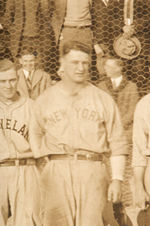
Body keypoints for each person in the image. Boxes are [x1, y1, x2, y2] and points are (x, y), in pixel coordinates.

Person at [29, 41, 129, 226]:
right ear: (63, 63)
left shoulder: (102, 98)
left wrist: (116, 178)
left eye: (85, 62)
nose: (81, 67)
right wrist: (43, 163)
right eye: (75, 62)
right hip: (56, 171)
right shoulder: (45, 98)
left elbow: (118, 142)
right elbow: (34, 133)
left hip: (92, 168)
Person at [0, 59, 41, 226]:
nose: (8, 85)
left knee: (27, 222)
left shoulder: (32, 107)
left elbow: (44, 148)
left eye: (12, 80)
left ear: (18, 79)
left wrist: (21, 153)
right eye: (2, 81)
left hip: (26, 168)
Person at [0, 0, 56, 73]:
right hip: (21, 41)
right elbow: (7, 19)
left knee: (39, 68)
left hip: (39, 40)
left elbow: (49, 15)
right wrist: (14, 30)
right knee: (20, 68)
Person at [97, 57, 139, 145]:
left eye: (109, 66)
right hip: (105, 128)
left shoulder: (131, 87)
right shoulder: (101, 86)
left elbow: (132, 111)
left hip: (125, 129)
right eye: (105, 66)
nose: (105, 68)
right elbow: (98, 109)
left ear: (119, 68)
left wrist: (119, 126)